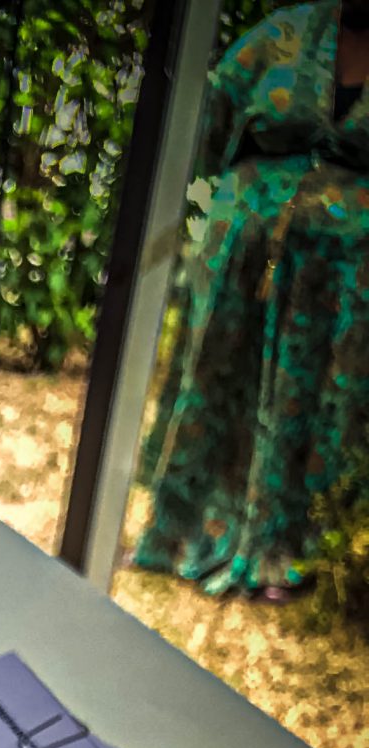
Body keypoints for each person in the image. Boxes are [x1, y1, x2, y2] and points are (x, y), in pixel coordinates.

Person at [135, 1, 369, 602]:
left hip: (342, 281)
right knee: (216, 384)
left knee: (312, 403)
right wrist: (234, 212)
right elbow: (209, 130)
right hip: (243, 254)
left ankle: (286, 549)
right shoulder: (280, 36)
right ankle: (184, 532)